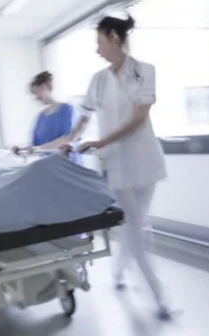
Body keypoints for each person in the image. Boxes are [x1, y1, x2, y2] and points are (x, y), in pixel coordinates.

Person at [64, 15, 172, 320]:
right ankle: (161, 298)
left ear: (114, 37)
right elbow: (83, 117)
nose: (97, 50)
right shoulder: (98, 80)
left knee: (133, 226)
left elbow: (138, 120)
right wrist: (71, 141)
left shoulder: (144, 72)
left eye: (99, 42)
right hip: (118, 168)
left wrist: (99, 142)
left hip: (146, 162)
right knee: (136, 231)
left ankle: (118, 274)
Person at [13, 71, 82, 164]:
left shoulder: (68, 110)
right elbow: (35, 144)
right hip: (48, 166)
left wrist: (39, 149)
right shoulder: (40, 117)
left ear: (46, 87)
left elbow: (67, 139)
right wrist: (22, 149)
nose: (36, 97)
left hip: (68, 165)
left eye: (36, 92)